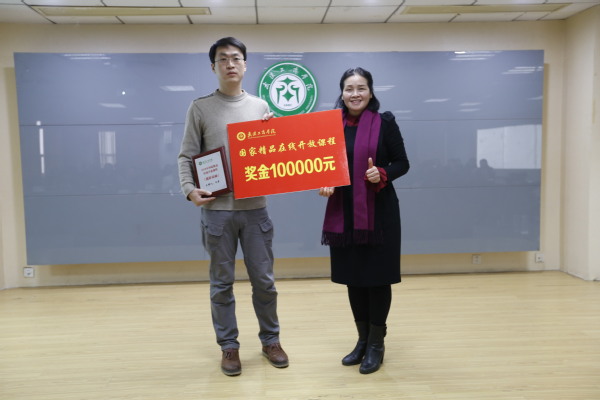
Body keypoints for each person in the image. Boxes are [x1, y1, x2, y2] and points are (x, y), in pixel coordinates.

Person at [177, 37, 288, 377]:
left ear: (245, 65)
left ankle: (271, 340)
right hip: (217, 213)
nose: (230, 64)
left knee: (264, 282)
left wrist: (275, 134)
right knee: (222, 284)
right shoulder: (200, 108)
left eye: (236, 58)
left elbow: (273, 157)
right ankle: (229, 346)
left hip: (256, 211)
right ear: (213, 66)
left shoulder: (261, 107)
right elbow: (186, 156)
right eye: (223, 59)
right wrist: (190, 190)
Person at [319, 67, 410, 374]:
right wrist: (324, 181)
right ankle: (362, 340)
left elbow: (402, 163)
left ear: (371, 92)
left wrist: (381, 173)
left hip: (379, 212)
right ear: (342, 93)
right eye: (349, 88)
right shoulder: (330, 125)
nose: (355, 94)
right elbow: (322, 164)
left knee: (377, 278)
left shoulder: (385, 123)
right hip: (343, 212)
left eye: (361, 88)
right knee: (354, 276)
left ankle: (376, 345)